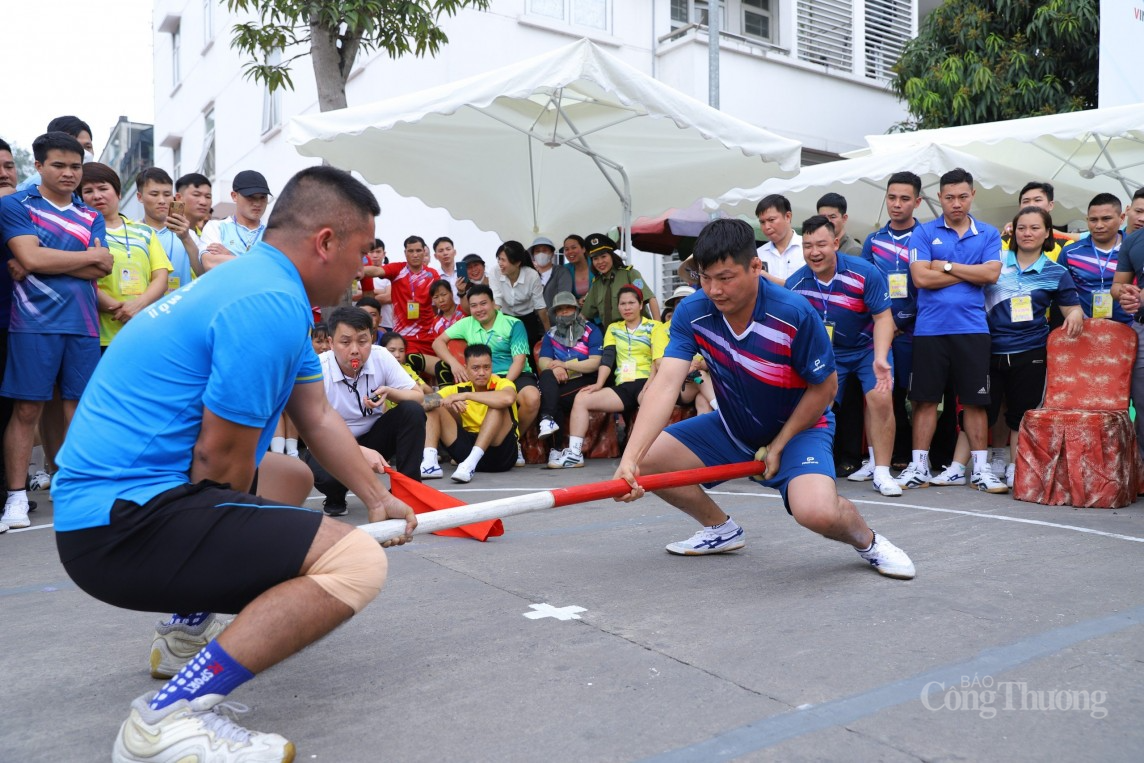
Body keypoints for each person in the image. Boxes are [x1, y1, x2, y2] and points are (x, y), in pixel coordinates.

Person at [51, 165, 416, 761]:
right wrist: (279, 550)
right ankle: (165, 721)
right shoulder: (267, 302)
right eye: (360, 251)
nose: (364, 267)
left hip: (107, 506)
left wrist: (376, 498)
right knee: (354, 563)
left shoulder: (265, 287)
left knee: (291, 477)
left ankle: (182, 635)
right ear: (324, 242)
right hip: (115, 527)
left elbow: (317, 417)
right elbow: (218, 462)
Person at [611, 218, 914, 578]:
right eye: (705, 278)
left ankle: (868, 541)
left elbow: (826, 389)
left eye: (725, 278)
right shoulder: (693, 312)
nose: (714, 290)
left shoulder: (794, 312)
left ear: (756, 266)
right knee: (647, 459)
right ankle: (720, 529)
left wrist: (780, 444)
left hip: (800, 430)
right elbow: (665, 385)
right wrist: (630, 459)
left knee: (817, 513)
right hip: (733, 426)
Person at [0, 132, 111, 530]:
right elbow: (29, 255)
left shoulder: (90, 214)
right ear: (40, 166)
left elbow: (104, 267)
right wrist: (79, 257)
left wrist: (42, 261)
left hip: (83, 324)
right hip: (31, 323)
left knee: (78, 411)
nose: (68, 173)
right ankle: (15, 497)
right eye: (59, 165)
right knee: (27, 409)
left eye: (75, 167)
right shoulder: (16, 205)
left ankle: (76, 489)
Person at [936, 206, 1084, 489]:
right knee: (976, 409)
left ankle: (1017, 468)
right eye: (1022, 228)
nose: (1027, 233)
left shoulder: (1056, 271)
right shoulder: (996, 262)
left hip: (1031, 352)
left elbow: (1071, 306)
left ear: (1048, 234)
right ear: (1013, 232)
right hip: (986, 349)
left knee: (1021, 415)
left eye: (1035, 228)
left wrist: (1075, 315)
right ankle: (956, 468)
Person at [898, 168, 1004, 492]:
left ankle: (981, 470)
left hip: (972, 329)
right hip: (930, 330)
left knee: (975, 402)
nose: (956, 203)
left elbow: (992, 275)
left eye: (962, 196)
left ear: (972, 195)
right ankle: (918, 467)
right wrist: (972, 272)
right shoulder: (923, 232)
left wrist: (944, 265)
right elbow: (920, 279)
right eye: (949, 197)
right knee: (925, 400)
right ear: (939, 198)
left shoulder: (988, 234)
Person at [786, 216, 901, 497]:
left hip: (867, 349)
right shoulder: (795, 284)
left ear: (836, 243)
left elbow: (884, 318)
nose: (814, 252)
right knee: (813, 406)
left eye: (821, 244)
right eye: (808, 246)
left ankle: (882, 472)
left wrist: (881, 357)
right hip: (827, 353)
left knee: (880, 397)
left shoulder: (865, 272)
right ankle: (808, 467)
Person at [305, 307, 427, 516]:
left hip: (375, 437)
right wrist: (358, 451)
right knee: (323, 474)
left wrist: (391, 392)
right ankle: (335, 495)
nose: (355, 350)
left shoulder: (381, 357)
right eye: (345, 342)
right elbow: (313, 429)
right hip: (330, 443)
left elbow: (418, 396)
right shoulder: (318, 368)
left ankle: (408, 490)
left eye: (362, 342)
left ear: (372, 339)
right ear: (331, 343)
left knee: (412, 411)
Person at [555, 285, 660, 469]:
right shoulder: (613, 328)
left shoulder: (655, 327)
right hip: (624, 385)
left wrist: (649, 386)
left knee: (650, 405)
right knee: (582, 398)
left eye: (631, 303)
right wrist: (599, 384)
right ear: (618, 307)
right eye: (623, 304)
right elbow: (608, 358)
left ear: (640, 304)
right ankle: (574, 453)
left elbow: (657, 360)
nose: (627, 307)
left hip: (648, 382)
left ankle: (649, 456)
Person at [861, 171, 924, 471]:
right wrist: (886, 324)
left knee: (919, 396)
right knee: (886, 394)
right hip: (881, 332)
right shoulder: (873, 240)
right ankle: (885, 458)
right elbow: (863, 284)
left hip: (916, 330)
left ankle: (921, 459)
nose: (897, 204)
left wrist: (904, 319)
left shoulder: (925, 236)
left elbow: (928, 285)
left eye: (904, 198)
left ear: (918, 201)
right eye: (892, 197)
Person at [434, 285, 540, 451]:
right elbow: (437, 342)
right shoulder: (466, 323)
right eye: (474, 305)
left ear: (493, 303)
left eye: (483, 303)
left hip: (514, 374)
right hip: (481, 374)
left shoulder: (514, 324)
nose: (478, 309)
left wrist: (502, 385)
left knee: (532, 399)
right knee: (445, 401)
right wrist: (454, 364)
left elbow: (519, 361)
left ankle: (514, 440)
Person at [79, 163, 172, 348]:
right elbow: (84, 282)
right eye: (88, 191)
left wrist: (138, 306)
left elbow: (161, 278)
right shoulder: (81, 233)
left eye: (103, 188)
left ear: (118, 193)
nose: (97, 195)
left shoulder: (144, 231)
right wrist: (121, 310)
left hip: (143, 329)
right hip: (100, 335)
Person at [420, 343, 519, 483]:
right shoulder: (458, 389)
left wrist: (466, 396)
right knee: (433, 406)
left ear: (492, 366)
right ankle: (430, 463)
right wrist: (446, 402)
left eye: (486, 367)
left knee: (497, 405)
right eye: (475, 368)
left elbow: (508, 398)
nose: (482, 373)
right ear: (465, 368)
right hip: (465, 453)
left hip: (501, 455)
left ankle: (471, 463)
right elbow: (422, 403)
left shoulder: (502, 384)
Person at [535, 291, 603, 464]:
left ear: (576, 308)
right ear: (555, 313)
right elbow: (544, 361)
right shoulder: (551, 334)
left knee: (550, 397)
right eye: (560, 309)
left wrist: (565, 365)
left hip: (586, 378)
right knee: (547, 377)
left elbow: (595, 363)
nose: (565, 312)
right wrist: (555, 368)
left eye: (568, 308)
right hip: (562, 380)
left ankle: (555, 447)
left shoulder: (591, 330)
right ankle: (549, 425)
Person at [1058, 194, 1132, 326]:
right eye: (1093, 220)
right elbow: (1061, 291)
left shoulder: (1135, 250)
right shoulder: (1070, 252)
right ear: (1087, 220)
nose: (1099, 225)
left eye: (1106, 219)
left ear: (1121, 218)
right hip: (1085, 329)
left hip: (1131, 328)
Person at [650, 285, 716, 416]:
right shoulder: (661, 330)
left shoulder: (706, 326)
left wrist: (700, 364)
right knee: (700, 376)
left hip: (702, 383)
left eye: (687, 300)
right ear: (674, 307)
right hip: (677, 385)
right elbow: (659, 363)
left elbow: (714, 359)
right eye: (679, 302)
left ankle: (702, 436)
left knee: (703, 401)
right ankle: (726, 413)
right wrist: (689, 366)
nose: (684, 305)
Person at [135, 167, 198, 293]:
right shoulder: (132, 233)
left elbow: (204, 273)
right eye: (154, 194)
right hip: (145, 309)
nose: (162, 201)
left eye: (167, 194)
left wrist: (186, 239)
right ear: (140, 197)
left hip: (182, 307)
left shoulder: (188, 233)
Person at [378, 235, 441, 356]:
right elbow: (377, 271)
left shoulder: (432, 274)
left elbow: (438, 304)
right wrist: (356, 269)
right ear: (405, 253)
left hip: (427, 335)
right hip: (402, 336)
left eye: (418, 251)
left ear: (424, 252)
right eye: (411, 251)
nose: (415, 255)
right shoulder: (397, 269)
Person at [580, 233, 659, 327]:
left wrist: (658, 328)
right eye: (595, 258)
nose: (600, 262)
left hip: (640, 332)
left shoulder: (630, 274)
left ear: (611, 256)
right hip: (612, 336)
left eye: (604, 256)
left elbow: (650, 298)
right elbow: (584, 315)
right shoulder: (596, 284)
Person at [199, 170, 271, 269]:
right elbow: (210, 263)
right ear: (234, 196)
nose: (257, 203)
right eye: (250, 197)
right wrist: (259, 262)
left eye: (263, 197)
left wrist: (230, 255)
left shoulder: (273, 233)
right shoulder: (216, 227)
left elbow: (277, 268)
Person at [490, 239, 549, 351]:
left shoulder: (531, 275)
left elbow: (540, 306)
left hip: (527, 318)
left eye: (503, 260)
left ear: (517, 263)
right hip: (505, 317)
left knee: (528, 349)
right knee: (506, 349)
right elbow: (496, 300)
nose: (500, 264)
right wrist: (493, 327)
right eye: (499, 259)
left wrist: (548, 333)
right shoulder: (495, 272)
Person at [1000, 182, 1077, 260]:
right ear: (1020, 207)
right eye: (1026, 201)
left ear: (1050, 205)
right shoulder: (1005, 240)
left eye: (1037, 200)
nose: (1031, 205)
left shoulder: (1065, 244)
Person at [755, 194, 803, 285]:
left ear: (788, 217)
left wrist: (768, 278)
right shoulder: (758, 255)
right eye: (762, 222)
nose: (766, 227)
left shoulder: (808, 248)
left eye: (771, 220)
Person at [174, 172, 213, 275]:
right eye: (196, 195)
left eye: (208, 196)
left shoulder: (209, 237)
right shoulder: (167, 233)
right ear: (178, 198)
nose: (203, 202)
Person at [530, 236, 573, 307]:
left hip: (554, 315)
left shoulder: (561, 272)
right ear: (533, 255)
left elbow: (564, 297)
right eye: (537, 251)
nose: (541, 254)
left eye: (544, 250)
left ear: (552, 253)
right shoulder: (531, 274)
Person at [816, 192, 863, 256]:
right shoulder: (817, 245)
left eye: (832, 217)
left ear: (844, 218)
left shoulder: (853, 250)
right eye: (822, 217)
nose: (827, 222)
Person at [562, 234, 593, 303]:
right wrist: (577, 301)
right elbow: (563, 296)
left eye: (573, 247)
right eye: (566, 249)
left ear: (583, 249)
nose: (570, 251)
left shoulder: (596, 264)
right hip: (576, 312)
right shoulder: (564, 269)